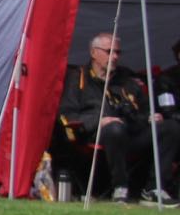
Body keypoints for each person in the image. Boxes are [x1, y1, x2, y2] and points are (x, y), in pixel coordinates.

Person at [59, 32, 180, 206]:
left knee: (170, 127)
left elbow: (144, 108)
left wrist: (150, 117)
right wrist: (99, 120)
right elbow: (66, 114)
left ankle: (153, 188)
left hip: (131, 132)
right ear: (94, 53)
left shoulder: (126, 78)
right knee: (114, 129)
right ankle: (120, 187)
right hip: (97, 133)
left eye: (117, 52)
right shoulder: (78, 78)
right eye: (109, 52)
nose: (114, 57)